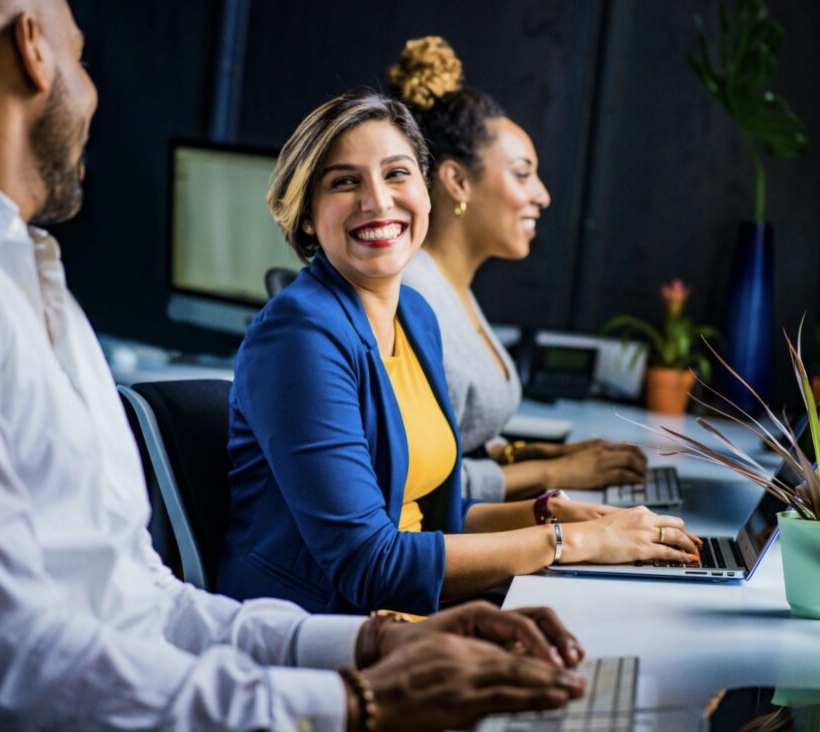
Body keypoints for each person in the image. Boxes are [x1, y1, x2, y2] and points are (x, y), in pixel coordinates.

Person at [0, 1, 589, 730]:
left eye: (395, 174)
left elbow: (144, 603)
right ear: (33, 50)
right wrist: (360, 699)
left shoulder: (26, 274)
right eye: (83, 55)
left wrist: (373, 645)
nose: (95, 92)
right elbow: (8, 668)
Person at [219, 89, 701, 618]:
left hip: (410, 616)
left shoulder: (416, 315)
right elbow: (369, 564)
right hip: (321, 633)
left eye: (397, 174)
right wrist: (571, 542)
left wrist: (552, 514)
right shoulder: (299, 336)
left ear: (426, 192)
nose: (378, 201)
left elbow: (433, 520)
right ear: (308, 215)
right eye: (345, 181)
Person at [394, 36, 650, 503]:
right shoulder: (414, 299)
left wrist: (543, 455)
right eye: (521, 173)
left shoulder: (453, 288)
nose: (542, 195)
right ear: (457, 180)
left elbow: (460, 441)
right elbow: (421, 486)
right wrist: (555, 472)